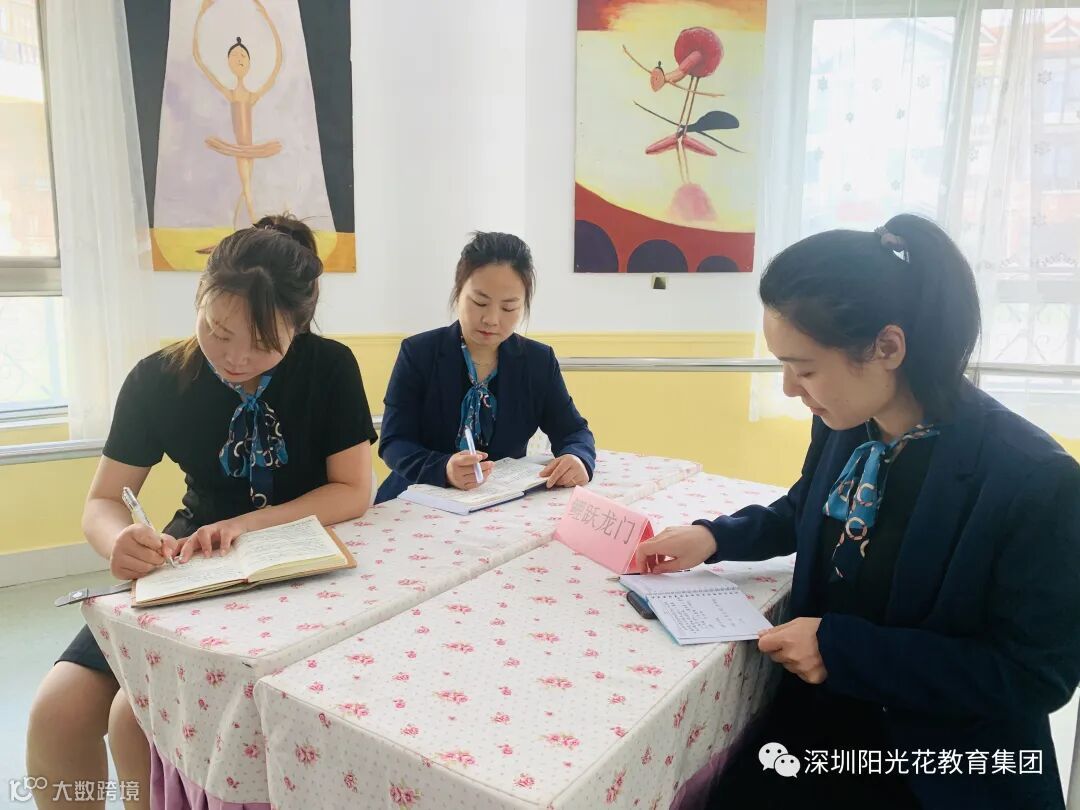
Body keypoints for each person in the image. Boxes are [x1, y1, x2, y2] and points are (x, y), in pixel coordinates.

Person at [635, 215, 1080, 809]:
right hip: (828, 720)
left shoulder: (1032, 479)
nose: (790, 389)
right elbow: (806, 508)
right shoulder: (848, 423)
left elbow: (1035, 675)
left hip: (935, 760)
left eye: (805, 369)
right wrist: (713, 537)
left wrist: (845, 651)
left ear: (887, 347)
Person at [26, 216, 377, 808]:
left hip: (302, 552)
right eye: (217, 330)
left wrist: (245, 525)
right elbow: (104, 501)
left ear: (298, 326)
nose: (235, 357)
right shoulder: (158, 379)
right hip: (192, 555)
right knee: (57, 713)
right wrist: (117, 541)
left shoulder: (330, 367)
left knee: (134, 717)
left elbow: (352, 490)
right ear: (200, 297)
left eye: (263, 344)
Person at [376, 231, 595, 503]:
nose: (491, 319)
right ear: (458, 292)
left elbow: (574, 431)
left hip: (499, 506)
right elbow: (394, 442)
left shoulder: (537, 361)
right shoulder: (419, 353)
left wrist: (577, 458)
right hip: (417, 499)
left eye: (508, 308)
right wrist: (443, 468)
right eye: (480, 302)